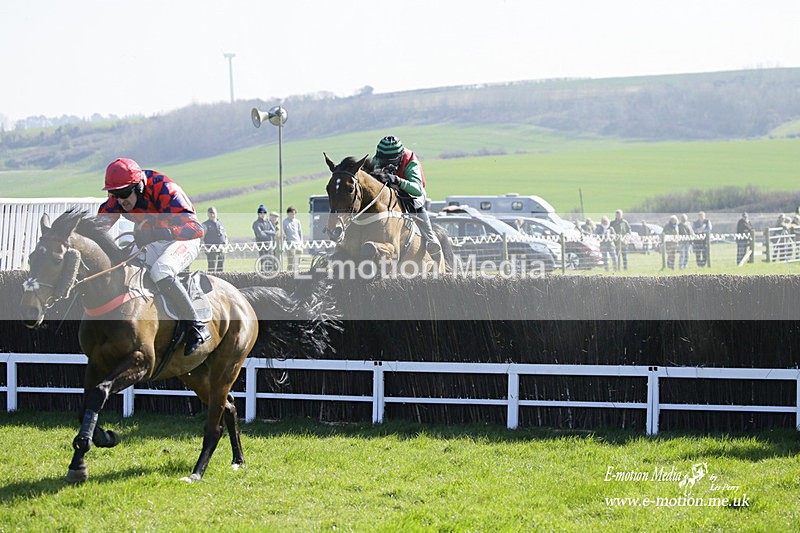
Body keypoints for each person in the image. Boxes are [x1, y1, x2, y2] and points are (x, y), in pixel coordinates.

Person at [97, 158, 210, 355]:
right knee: (125, 269)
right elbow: (97, 228)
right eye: (114, 194)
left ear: (138, 186)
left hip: (182, 239)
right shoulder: (119, 197)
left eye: (124, 194)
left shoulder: (166, 190)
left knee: (161, 271)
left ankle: (196, 326)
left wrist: (159, 233)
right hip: (152, 241)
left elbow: (196, 229)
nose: (120, 200)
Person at [372, 135, 442, 263]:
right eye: (384, 160)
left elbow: (417, 189)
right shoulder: (376, 160)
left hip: (411, 192)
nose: (386, 164)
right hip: (388, 191)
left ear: (400, 157)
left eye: (391, 161)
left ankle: (430, 239)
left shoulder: (410, 161)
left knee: (416, 203)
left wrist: (397, 180)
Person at [202, 207, 227, 274]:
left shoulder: (220, 223)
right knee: (212, 268)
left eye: (213, 213)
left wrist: (225, 246)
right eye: (210, 213)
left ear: (216, 213)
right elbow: (202, 238)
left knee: (220, 268)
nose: (212, 215)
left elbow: (225, 236)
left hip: (221, 249)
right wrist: (205, 248)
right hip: (211, 250)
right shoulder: (205, 225)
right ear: (208, 214)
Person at [282, 206, 303, 272]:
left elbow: (300, 232)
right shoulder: (285, 222)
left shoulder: (297, 222)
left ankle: (297, 272)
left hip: (298, 243)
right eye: (291, 214)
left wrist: (301, 242)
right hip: (290, 244)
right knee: (291, 260)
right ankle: (289, 273)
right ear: (288, 214)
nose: (292, 216)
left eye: (293, 214)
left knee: (298, 259)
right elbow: (283, 233)